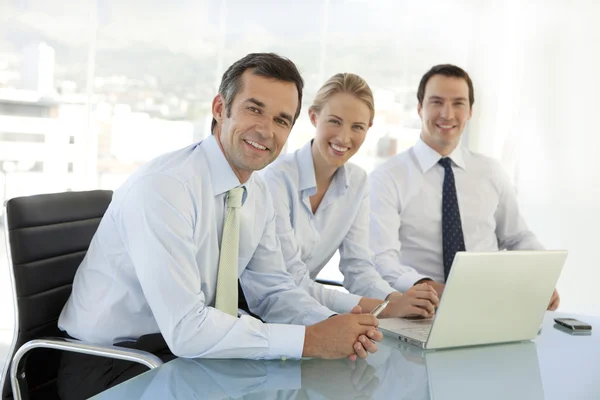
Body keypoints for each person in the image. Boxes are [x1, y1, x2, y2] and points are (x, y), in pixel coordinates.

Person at [57, 53, 384, 398]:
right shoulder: (165, 188)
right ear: (219, 108)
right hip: (114, 365)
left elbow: (273, 291)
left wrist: (332, 326)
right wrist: (310, 340)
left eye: (281, 120)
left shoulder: (256, 192)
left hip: (185, 358)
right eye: (254, 109)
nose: (266, 130)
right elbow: (186, 328)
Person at [368, 64, 559, 311]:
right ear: (419, 108)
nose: (447, 114)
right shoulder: (387, 178)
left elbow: (518, 237)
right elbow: (382, 259)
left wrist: (541, 278)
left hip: (490, 308)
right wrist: (438, 292)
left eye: (458, 103)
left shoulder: (491, 172)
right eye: (436, 102)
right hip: (421, 310)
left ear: (470, 111)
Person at [262, 73, 439, 319]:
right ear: (314, 117)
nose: (344, 138)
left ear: (369, 129)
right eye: (335, 121)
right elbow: (290, 280)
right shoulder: (275, 180)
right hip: (256, 315)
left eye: (357, 127)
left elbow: (358, 268)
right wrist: (386, 308)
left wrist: (398, 300)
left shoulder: (358, 182)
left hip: (305, 315)